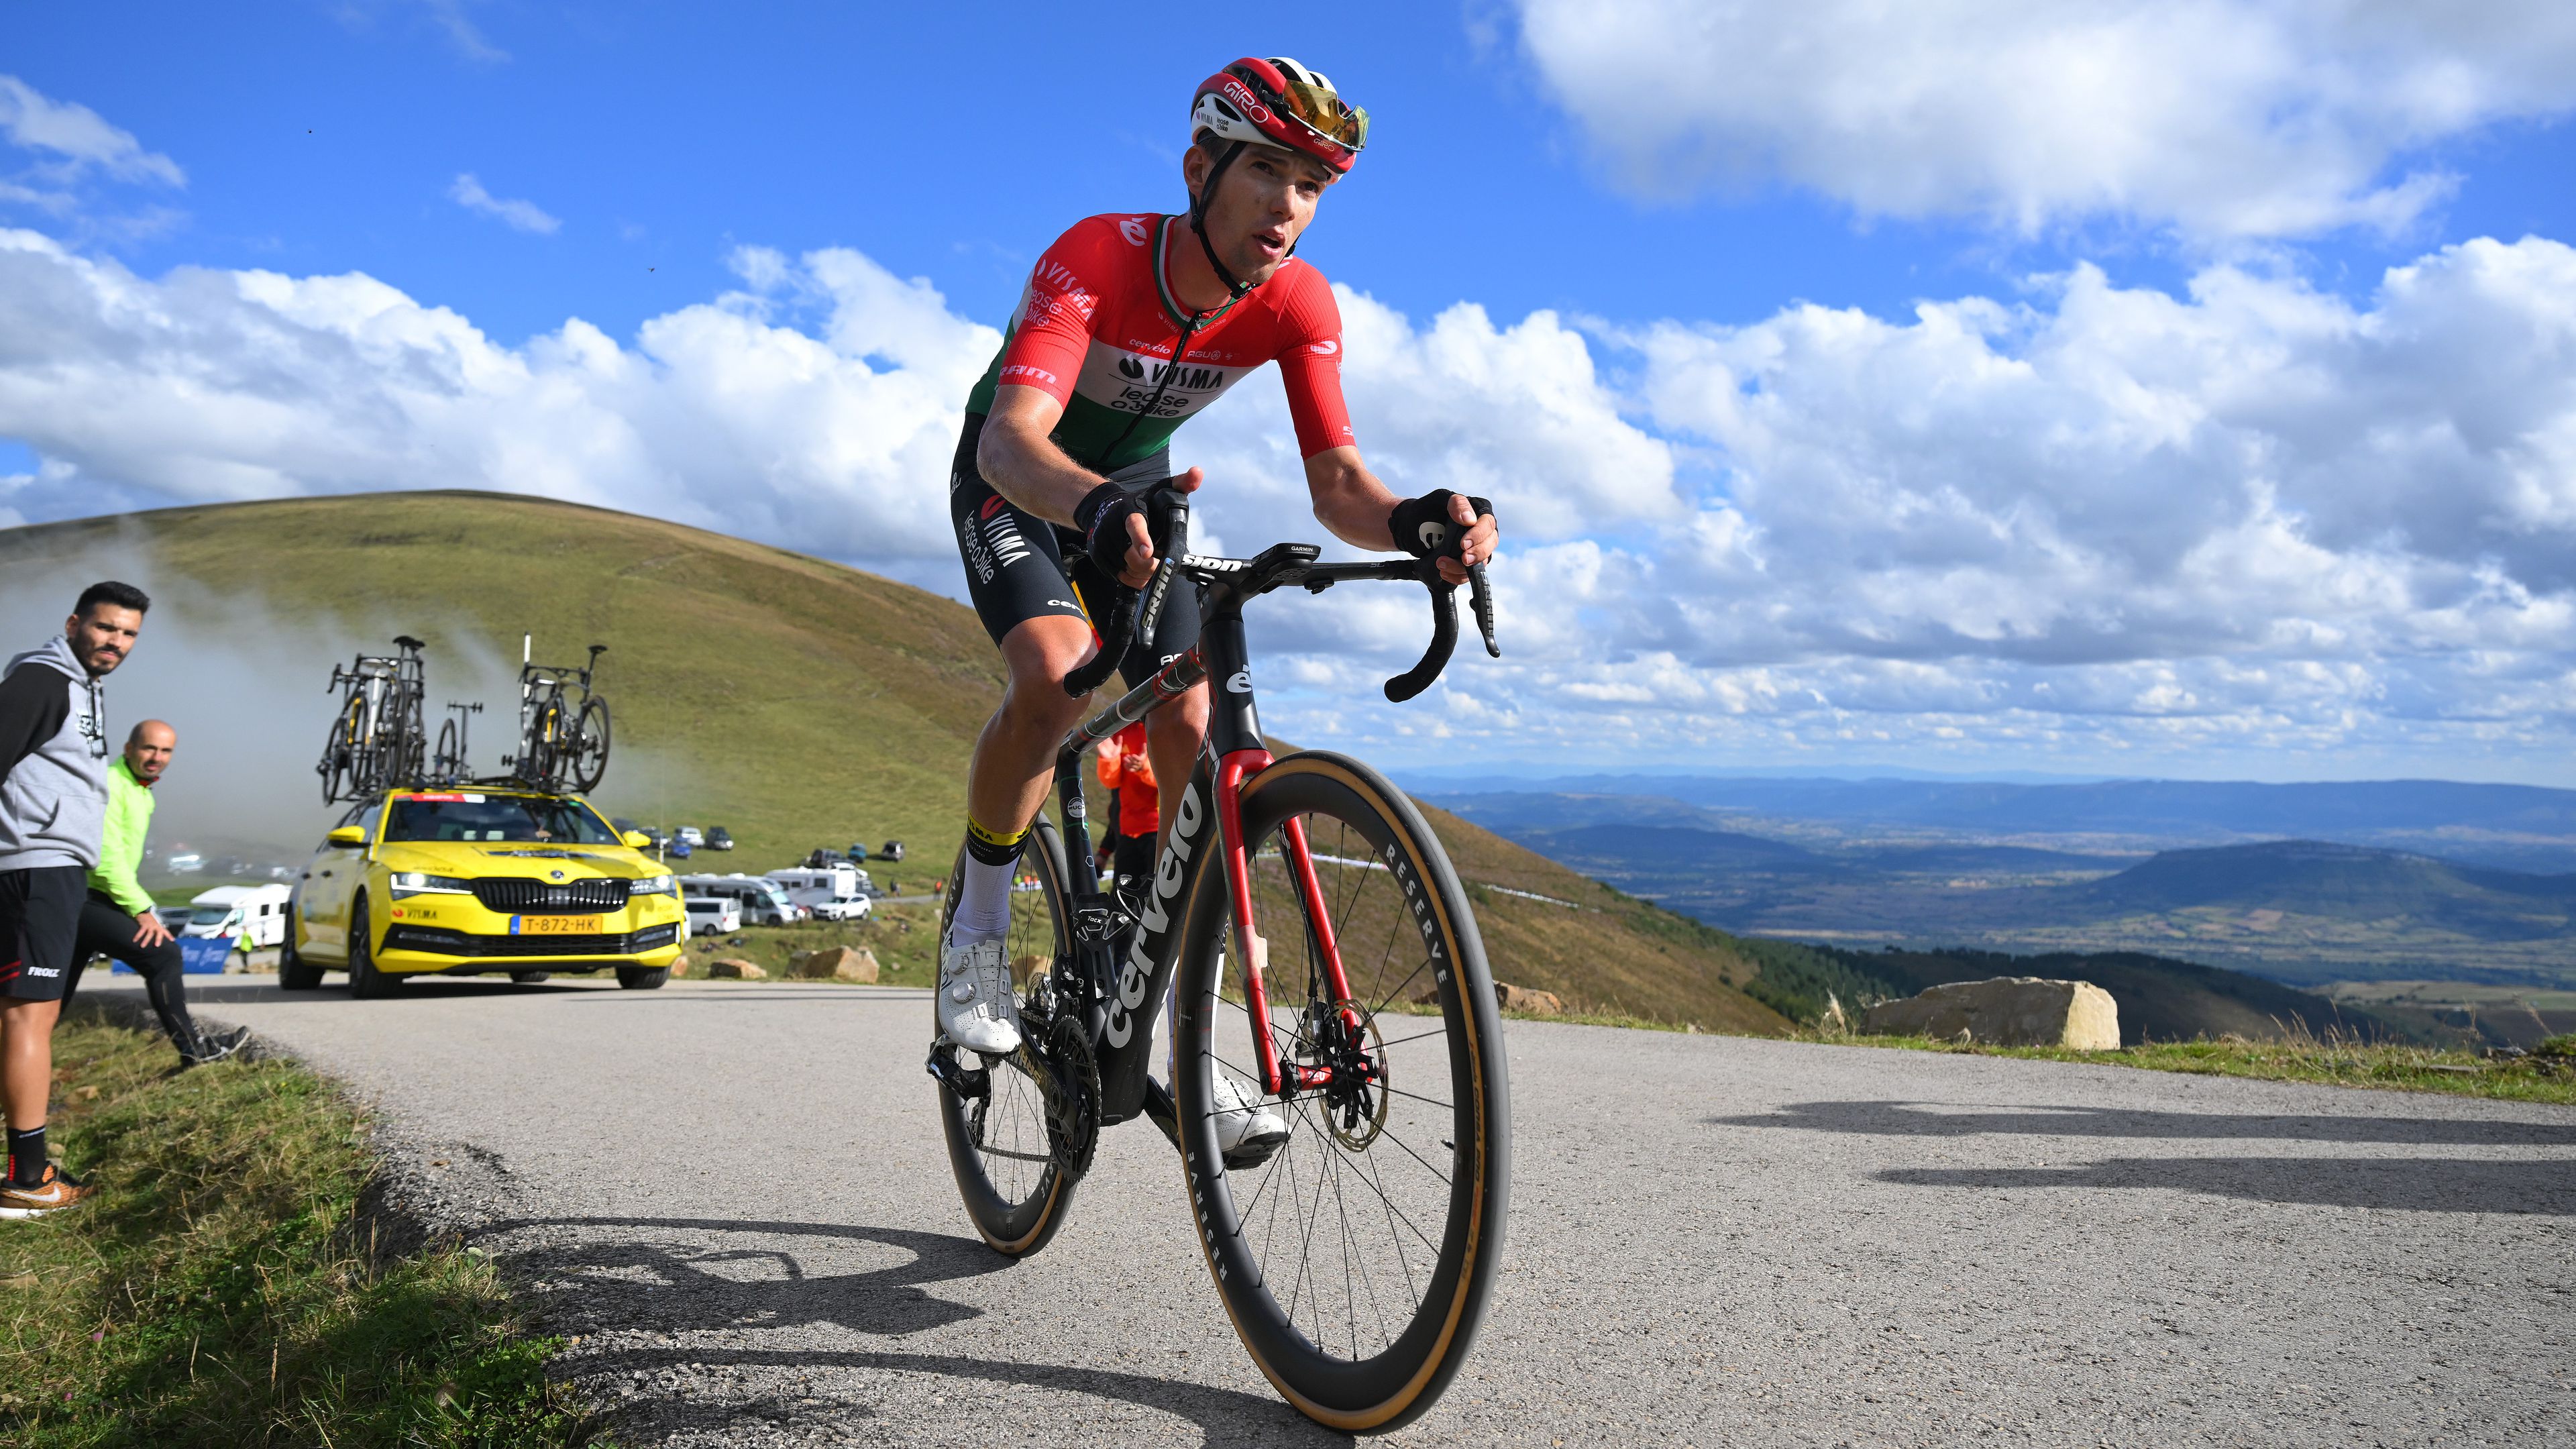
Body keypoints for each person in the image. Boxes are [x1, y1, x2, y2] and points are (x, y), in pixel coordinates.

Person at [935, 57, 1499, 1069]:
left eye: (1312, 187)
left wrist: (1419, 521)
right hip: (1020, 483)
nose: (1288, 207)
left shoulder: (1297, 303)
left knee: (1191, 714)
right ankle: (975, 932)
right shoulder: (1097, 259)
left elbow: (1340, 490)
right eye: (1269, 173)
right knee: (1057, 678)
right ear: (1200, 169)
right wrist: (1090, 500)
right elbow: (1011, 442)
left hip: (1141, 498)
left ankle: (1183, 1031)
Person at [0, 581, 150, 1217]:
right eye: (106, 627)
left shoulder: (84, 686)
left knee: (27, 1017)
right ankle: (28, 1180)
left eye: (128, 633)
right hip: (35, 864)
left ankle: (26, 1168)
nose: (116, 642)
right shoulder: (44, 679)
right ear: (74, 623)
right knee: (29, 1016)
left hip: (53, 867)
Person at [70, 720, 250, 1068]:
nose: (157, 757)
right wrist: (140, 909)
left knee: (48, 1004)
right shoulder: (110, 784)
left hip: (97, 898)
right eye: (149, 748)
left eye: (166, 751)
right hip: (84, 896)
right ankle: (194, 1048)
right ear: (128, 749)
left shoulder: (141, 790)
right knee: (164, 956)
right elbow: (105, 859)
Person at [1094, 720, 1159, 905]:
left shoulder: (1165, 725)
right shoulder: (1123, 729)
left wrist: (1144, 767)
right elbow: (1112, 783)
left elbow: (1176, 778)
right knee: (1121, 902)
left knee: (1155, 902)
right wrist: (1109, 760)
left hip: (1160, 830)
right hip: (1127, 832)